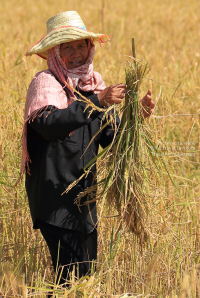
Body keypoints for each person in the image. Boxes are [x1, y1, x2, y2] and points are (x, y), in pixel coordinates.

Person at [21, 11, 154, 286]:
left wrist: (136, 117)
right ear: (54, 53)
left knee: (86, 278)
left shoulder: (94, 86)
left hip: (85, 201)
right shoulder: (45, 84)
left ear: (90, 48)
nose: (76, 52)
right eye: (67, 47)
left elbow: (110, 137)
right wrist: (98, 102)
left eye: (81, 45)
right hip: (55, 196)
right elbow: (49, 124)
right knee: (68, 278)